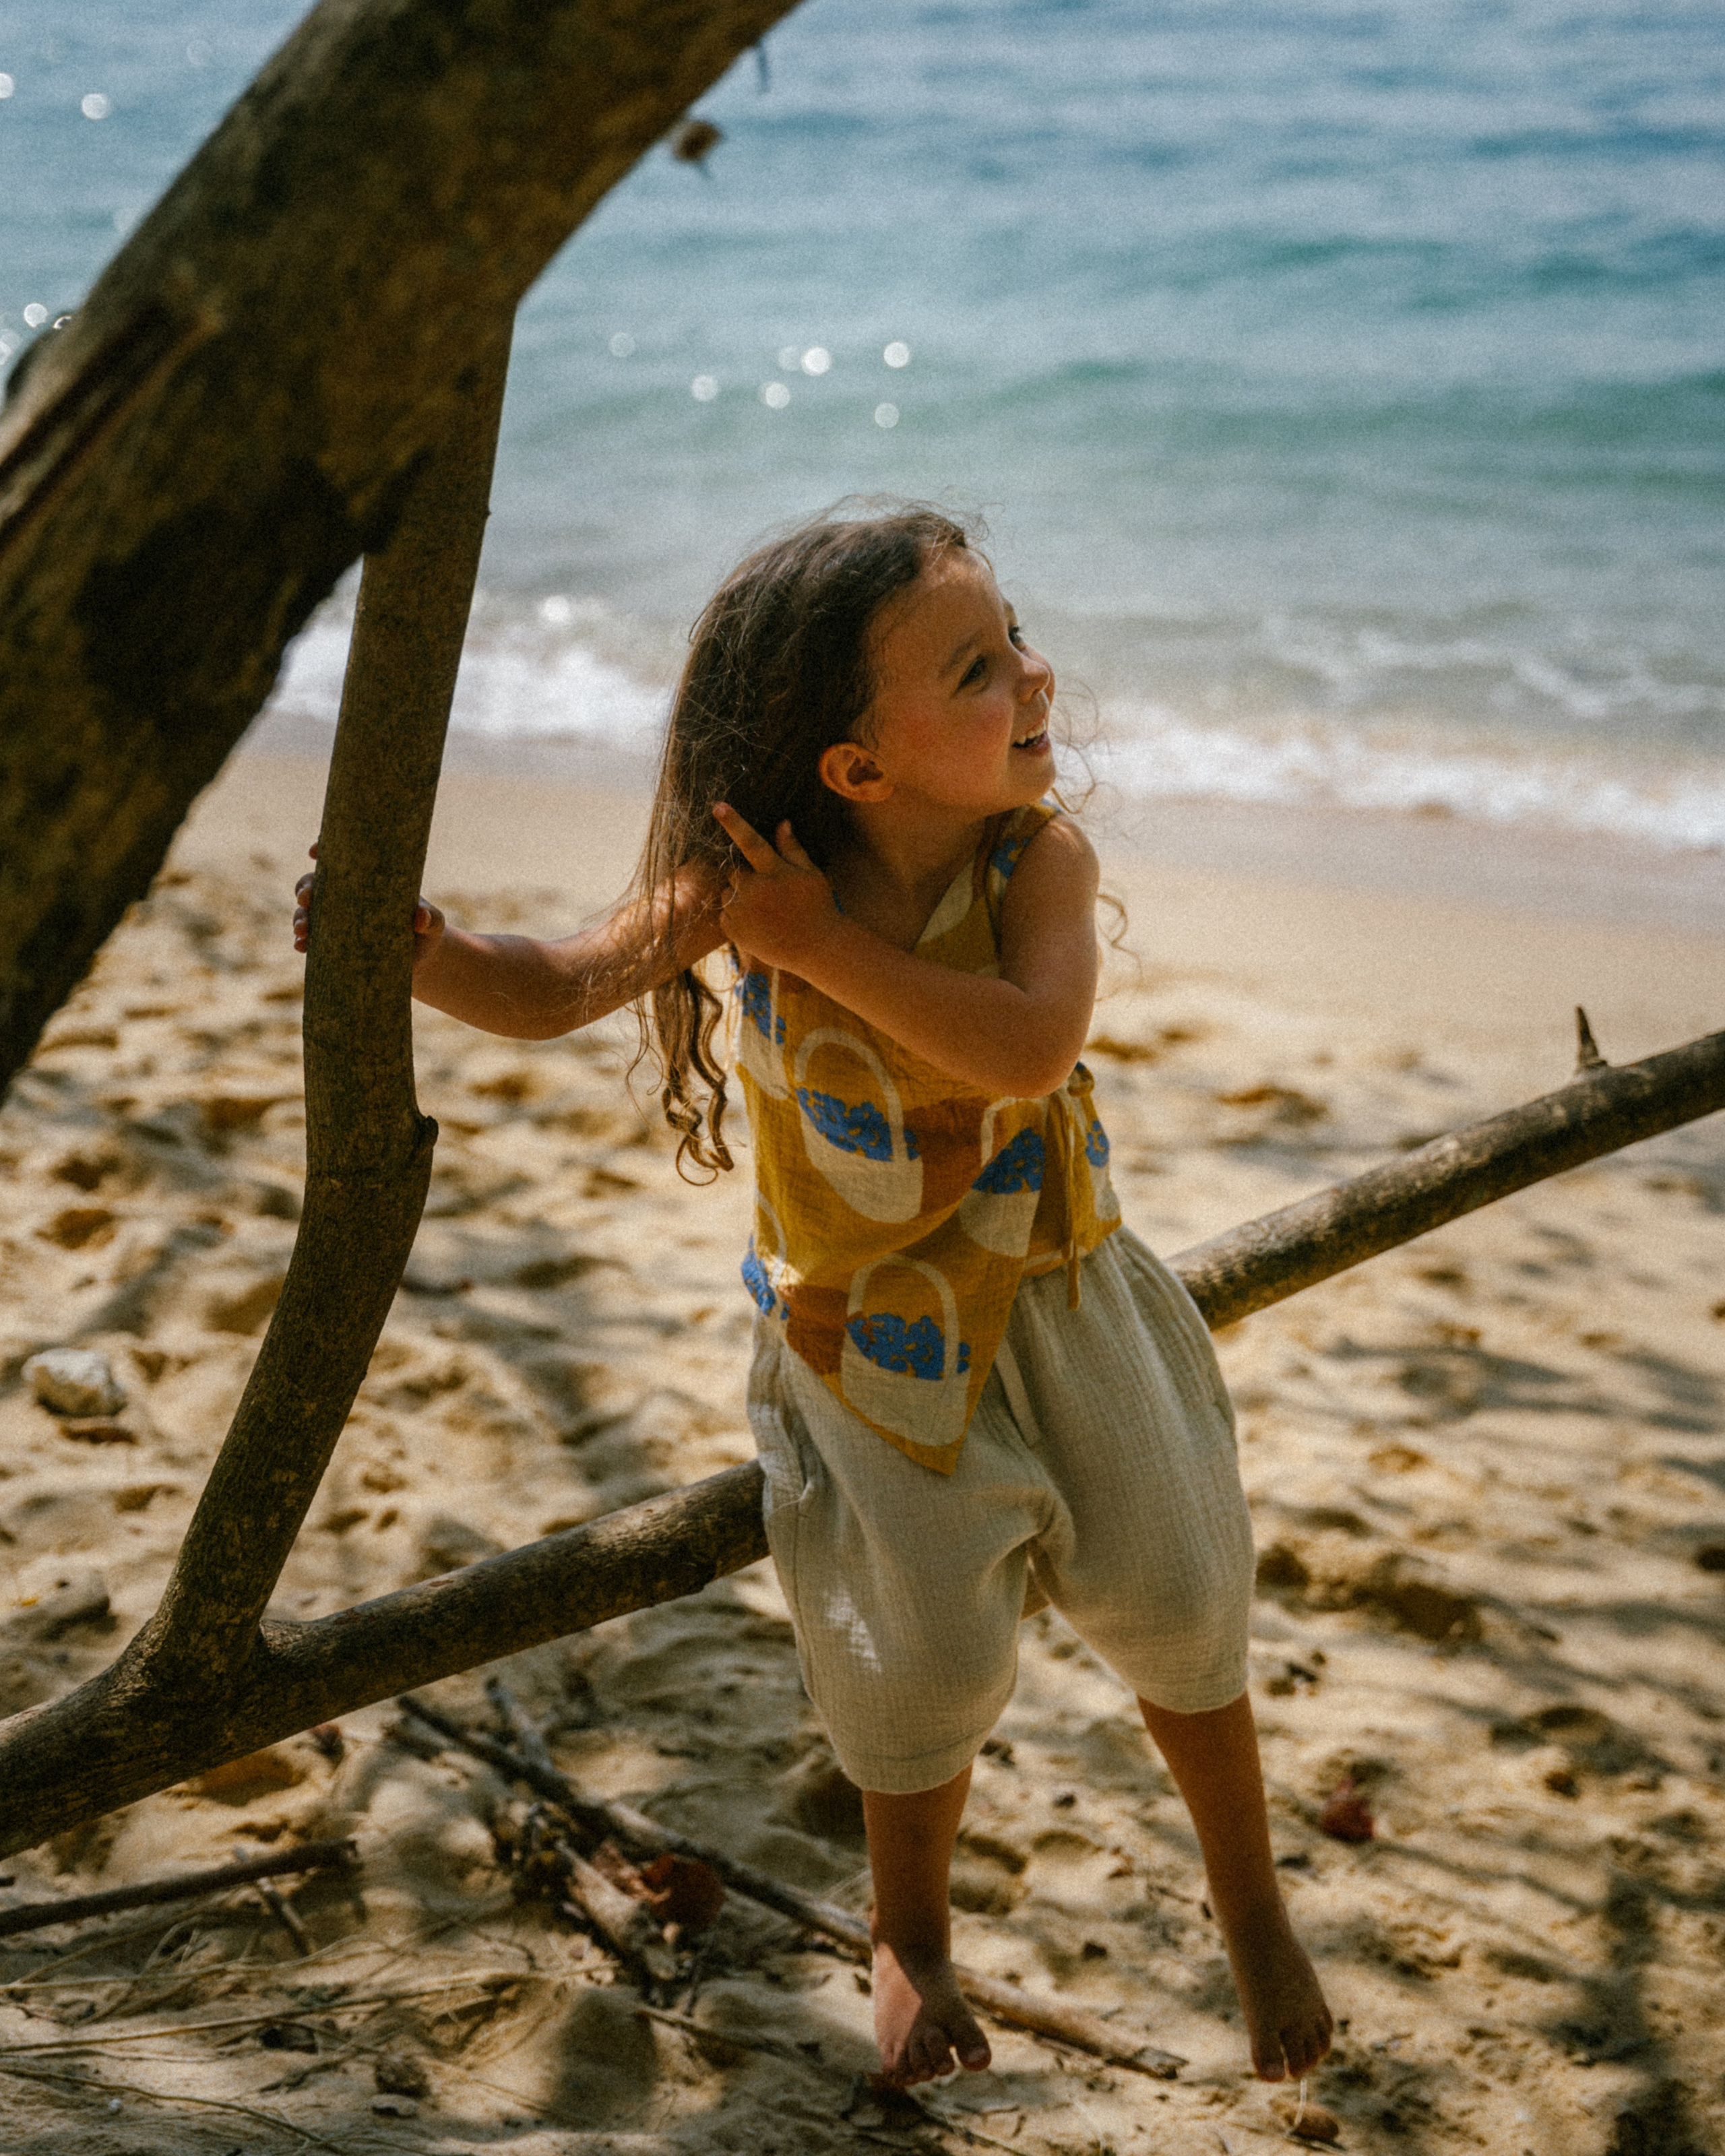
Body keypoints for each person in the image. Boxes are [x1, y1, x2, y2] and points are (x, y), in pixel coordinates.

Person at [293, 505, 1333, 2089]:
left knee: (1179, 1592)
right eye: (979, 666)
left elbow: (1024, 1048)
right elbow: (559, 985)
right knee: (912, 1662)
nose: (1036, 676)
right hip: (865, 1345)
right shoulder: (743, 883)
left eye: (1015, 637)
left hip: (1065, 1296)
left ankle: (1250, 1905)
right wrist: (422, 951)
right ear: (851, 767)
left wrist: (821, 952)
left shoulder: (1033, 859)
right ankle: (908, 1931)